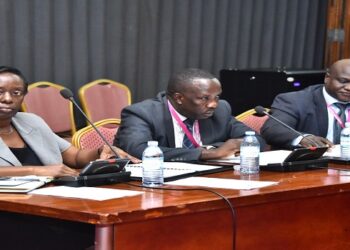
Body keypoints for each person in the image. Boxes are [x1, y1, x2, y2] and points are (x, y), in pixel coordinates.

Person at [0, 66, 139, 177]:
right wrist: (35, 171)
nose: (7, 99)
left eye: (16, 92)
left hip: (50, 199)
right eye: (0, 91)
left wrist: (101, 151)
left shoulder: (32, 122)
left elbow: (75, 157)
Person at [115, 68, 266, 161]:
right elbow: (137, 150)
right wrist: (205, 154)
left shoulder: (220, 110)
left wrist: (217, 150)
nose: (214, 104)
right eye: (204, 98)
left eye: (217, 97)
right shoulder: (142, 113)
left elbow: (256, 140)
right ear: (179, 98)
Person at [261, 58, 350, 149]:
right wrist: (302, 138)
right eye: (343, 81)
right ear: (327, 78)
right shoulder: (296, 100)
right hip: (313, 160)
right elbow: (273, 129)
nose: (348, 87)